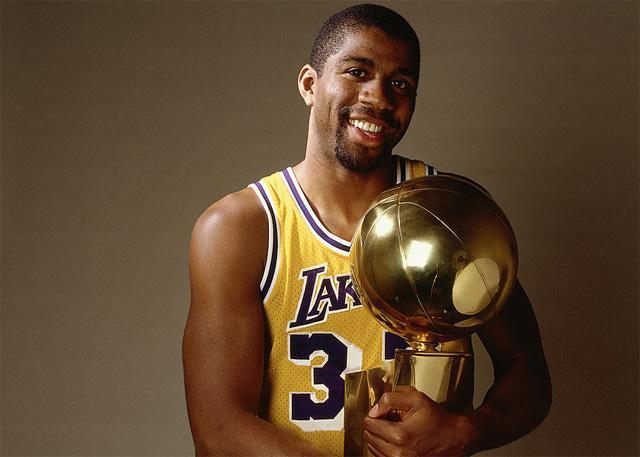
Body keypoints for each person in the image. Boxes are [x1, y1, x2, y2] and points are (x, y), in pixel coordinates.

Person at [182, 4, 551, 456]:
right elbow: (218, 430)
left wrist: (465, 432)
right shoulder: (242, 229)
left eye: (401, 83)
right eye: (358, 72)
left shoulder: (451, 212)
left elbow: (527, 368)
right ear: (309, 84)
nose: (379, 97)